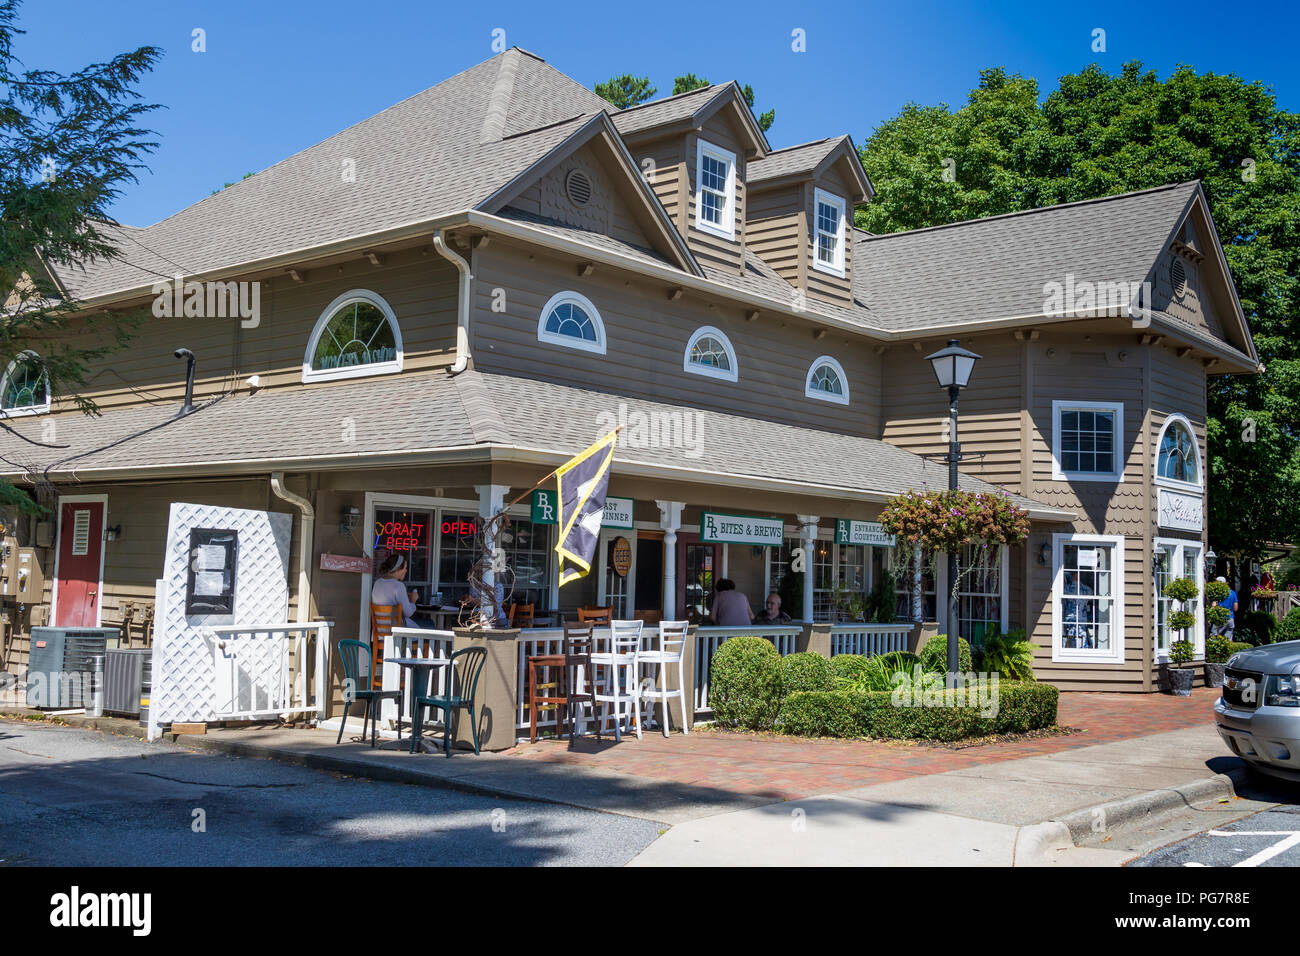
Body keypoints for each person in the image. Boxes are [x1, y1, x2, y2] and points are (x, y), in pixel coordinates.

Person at [371, 552, 426, 628]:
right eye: (405, 568)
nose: (406, 571)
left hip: (380, 631)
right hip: (397, 633)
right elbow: (408, 613)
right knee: (430, 623)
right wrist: (413, 601)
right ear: (398, 569)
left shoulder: (377, 583)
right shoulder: (399, 586)